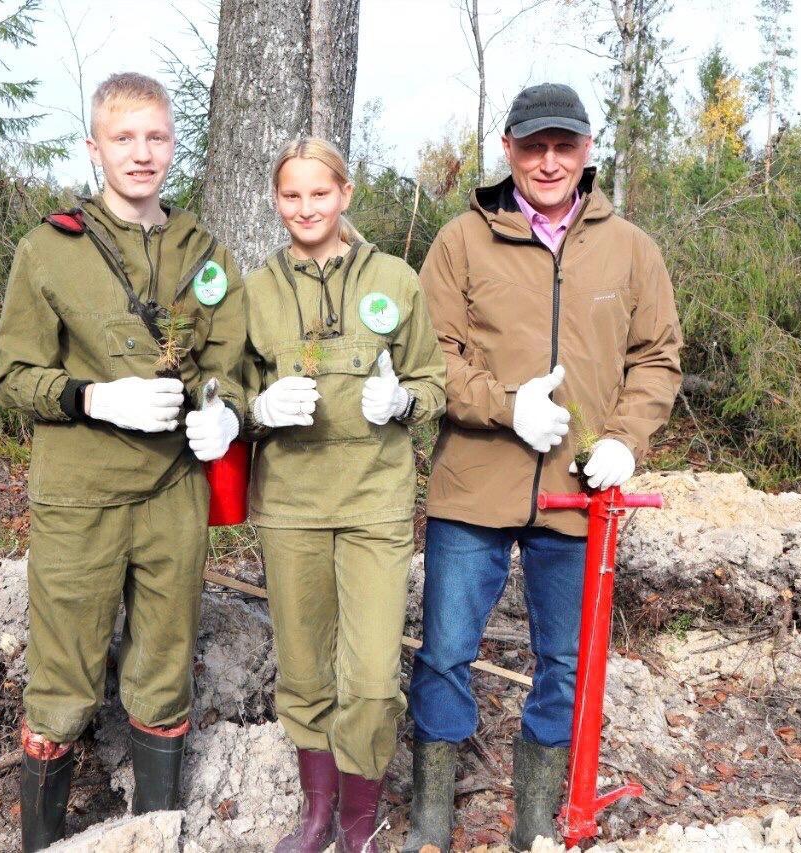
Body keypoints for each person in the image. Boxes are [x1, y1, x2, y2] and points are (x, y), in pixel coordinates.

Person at [404, 83, 683, 852]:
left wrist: (626, 437)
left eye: (565, 145)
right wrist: (503, 404)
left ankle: (534, 818)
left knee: (563, 659)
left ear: (589, 150)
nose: (549, 161)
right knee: (446, 652)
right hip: (473, 488)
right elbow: (431, 356)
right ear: (509, 149)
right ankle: (430, 815)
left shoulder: (630, 249)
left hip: (579, 495)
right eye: (534, 146)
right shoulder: (462, 241)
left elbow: (657, 357)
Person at [0, 72, 246, 851]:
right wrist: (93, 399)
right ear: (95, 146)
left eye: (157, 137)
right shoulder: (50, 248)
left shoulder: (203, 250)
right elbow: (10, 377)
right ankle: (43, 840)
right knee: (62, 684)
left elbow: (228, 359)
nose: (142, 154)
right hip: (83, 493)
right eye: (124, 138)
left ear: (174, 144)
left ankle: (154, 833)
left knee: (165, 671)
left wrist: (223, 407)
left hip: (174, 491)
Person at [242, 137, 446, 853]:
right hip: (291, 504)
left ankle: (361, 820)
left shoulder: (395, 278)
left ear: (345, 194)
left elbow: (432, 382)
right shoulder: (255, 288)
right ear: (276, 199)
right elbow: (225, 393)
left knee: (368, 676)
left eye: (319, 193)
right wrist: (257, 406)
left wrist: (403, 402)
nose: (306, 208)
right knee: (302, 669)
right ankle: (317, 812)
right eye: (292, 195)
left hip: (374, 504)